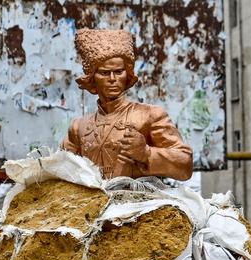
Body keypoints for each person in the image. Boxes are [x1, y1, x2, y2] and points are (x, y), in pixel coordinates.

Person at [62, 29, 193, 181]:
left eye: (118, 72)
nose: (112, 79)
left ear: (127, 74)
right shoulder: (78, 128)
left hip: (139, 202)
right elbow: (61, 170)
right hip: (92, 203)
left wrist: (147, 154)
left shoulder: (150, 115)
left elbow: (185, 164)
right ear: (92, 78)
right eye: (105, 73)